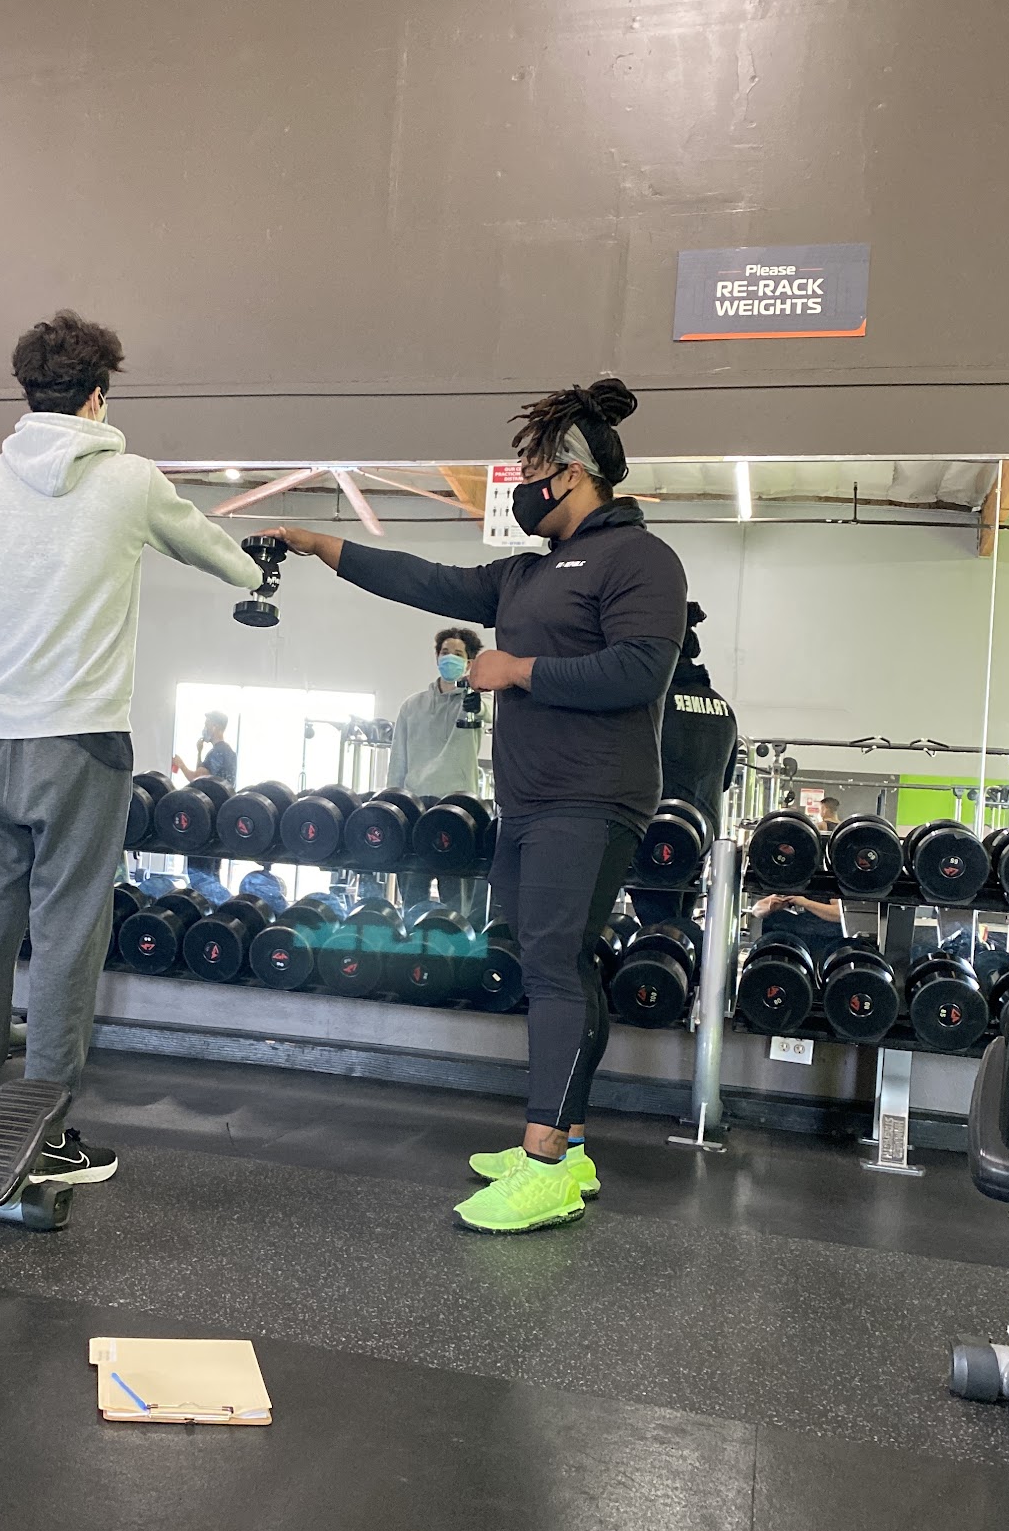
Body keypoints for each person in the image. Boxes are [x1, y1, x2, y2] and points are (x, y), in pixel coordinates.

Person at [267, 375, 686, 1236]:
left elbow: (642, 669)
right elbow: (426, 579)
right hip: (530, 800)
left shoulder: (640, 560)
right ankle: (569, 1149)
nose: (519, 486)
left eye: (530, 471)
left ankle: (544, 1168)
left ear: (571, 475)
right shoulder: (528, 573)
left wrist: (518, 669)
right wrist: (321, 545)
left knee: (555, 964)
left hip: (593, 796)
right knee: (555, 963)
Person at [0, 309, 262, 1174]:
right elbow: (218, 554)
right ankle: (42, 1136)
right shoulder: (130, 480)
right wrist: (258, 569)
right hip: (81, 742)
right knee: (67, 936)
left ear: (28, 393)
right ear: (97, 398)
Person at [632, 602, 739, 927]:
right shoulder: (723, 708)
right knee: (678, 925)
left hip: (656, 833)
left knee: (656, 930)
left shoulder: (654, 703)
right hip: (702, 840)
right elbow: (724, 781)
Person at [389, 625, 484, 911]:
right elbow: (398, 760)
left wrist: (476, 699)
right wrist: (392, 804)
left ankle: (456, 940)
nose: (449, 658)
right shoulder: (412, 706)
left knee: (456, 904)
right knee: (412, 899)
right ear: (437, 657)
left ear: (469, 663)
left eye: (458, 654)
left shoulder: (476, 702)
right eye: (445, 652)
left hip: (459, 810)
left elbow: (488, 712)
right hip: (415, 808)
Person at [172, 712, 236, 890]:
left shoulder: (217, 752)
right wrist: (199, 752)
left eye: (207, 724)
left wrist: (181, 764)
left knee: (200, 872)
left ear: (215, 727)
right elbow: (203, 777)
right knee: (211, 872)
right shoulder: (228, 752)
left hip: (207, 819)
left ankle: (205, 902)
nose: (205, 728)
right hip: (220, 817)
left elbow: (196, 778)